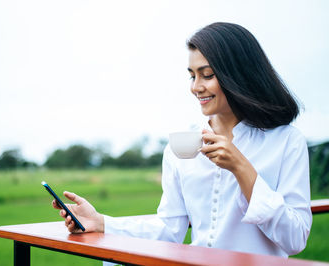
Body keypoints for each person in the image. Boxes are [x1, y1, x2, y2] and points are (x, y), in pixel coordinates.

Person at [52, 22, 312, 257]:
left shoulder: (287, 142)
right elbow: (169, 230)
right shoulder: (181, 149)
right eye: (192, 75)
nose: (195, 86)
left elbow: (295, 238)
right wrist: (102, 222)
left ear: (239, 74)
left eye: (207, 75)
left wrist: (241, 167)